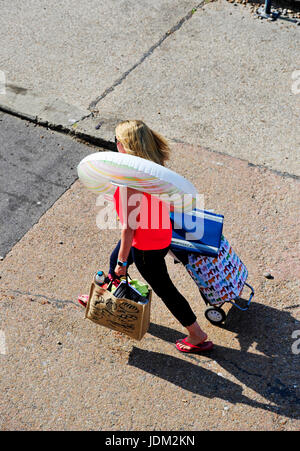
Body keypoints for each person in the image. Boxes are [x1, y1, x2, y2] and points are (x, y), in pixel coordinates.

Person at [109, 120, 213, 353]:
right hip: (160, 232)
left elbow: (128, 228)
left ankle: (197, 334)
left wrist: (122, 263)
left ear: (125, 147)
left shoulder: (129, 184)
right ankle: (108, 297)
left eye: (118, 140)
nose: (115, 144)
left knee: (164, 288)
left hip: (145, 245)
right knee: (113, 258)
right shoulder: (156, 170)